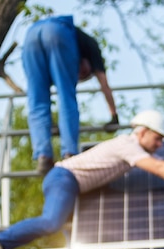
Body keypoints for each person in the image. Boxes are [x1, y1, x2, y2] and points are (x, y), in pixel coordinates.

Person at [0, 110, 164, 249]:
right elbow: (159, 168)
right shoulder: (128, 145)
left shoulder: (133, 149)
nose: (159, 145)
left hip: (74, 185)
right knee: (51, 222)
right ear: (142, 132)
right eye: (157, 139)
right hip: (64, 178)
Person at [22, 15, 120, 175]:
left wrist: (50, 124)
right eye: (84, 73)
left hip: (31, 35)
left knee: (37, 98)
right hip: (58, 32)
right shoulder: (91, 45)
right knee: (66, 95)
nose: (80, 74)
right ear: (87, 61)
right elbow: (103, 81)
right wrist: (114, 115)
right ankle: (69, 154)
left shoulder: (79, 44)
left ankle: (43, 156)